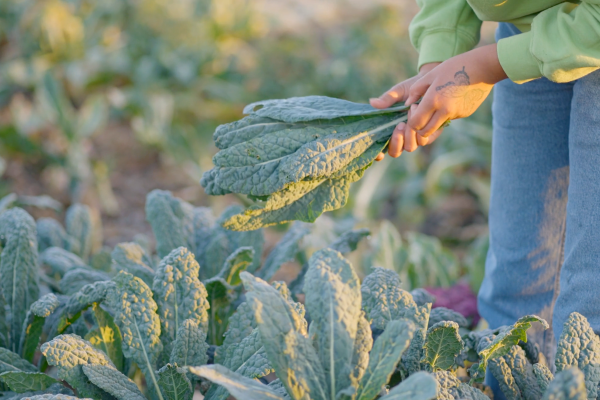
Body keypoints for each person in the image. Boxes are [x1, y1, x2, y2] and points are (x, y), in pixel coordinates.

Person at [369, 0, 600, 396]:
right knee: (516, 279)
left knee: (589, 301)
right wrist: (437, 68)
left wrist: (482, 67)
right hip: (532, 28)